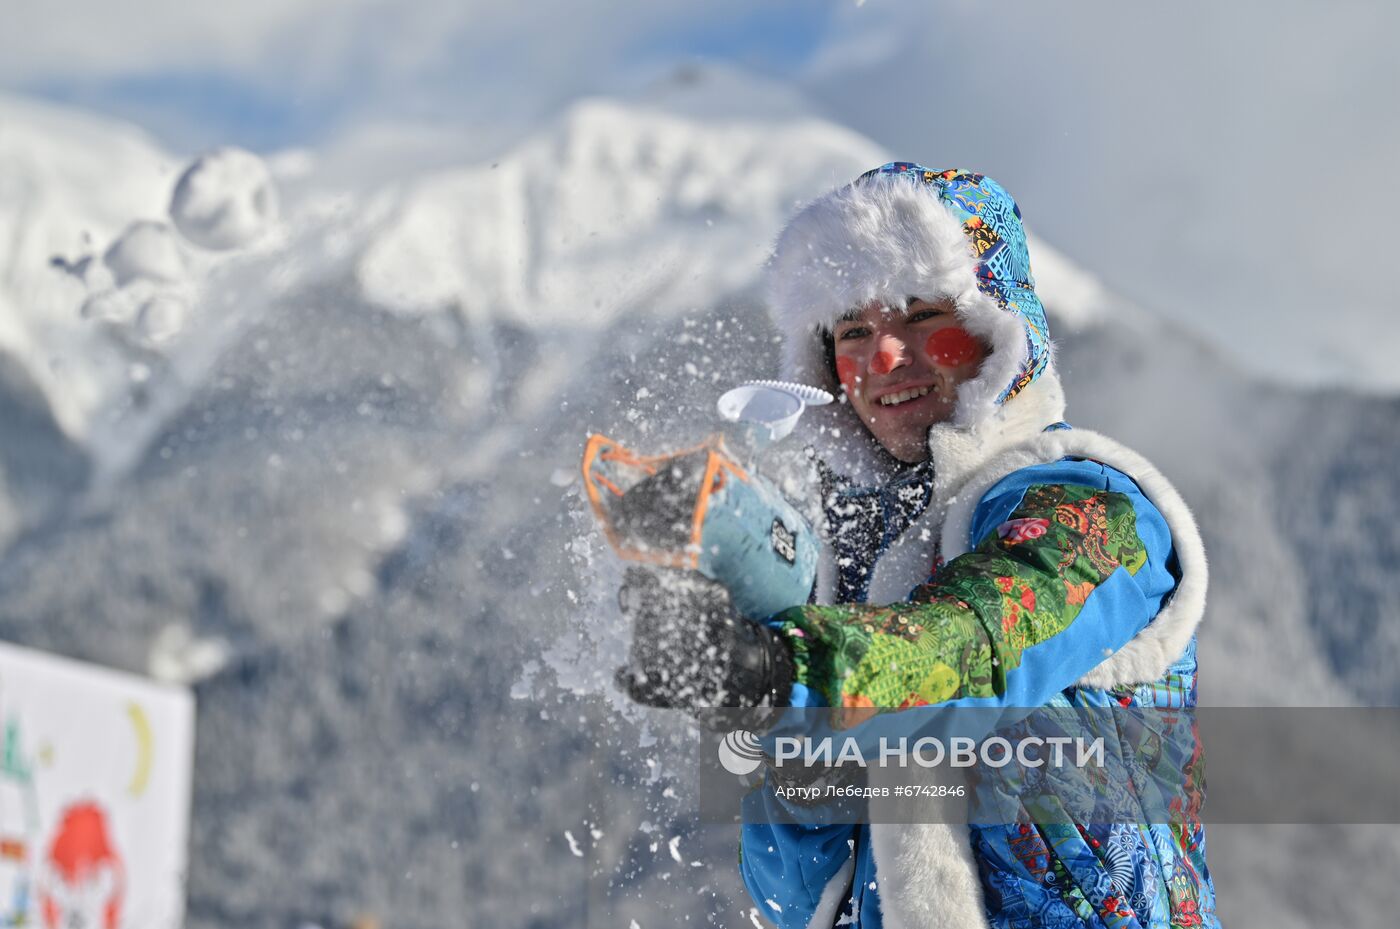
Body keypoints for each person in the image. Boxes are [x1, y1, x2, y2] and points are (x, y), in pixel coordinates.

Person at [617, 163, 1218, 928]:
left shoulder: (1090, 509)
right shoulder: (857, 571)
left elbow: (973, 642)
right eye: (854, 331)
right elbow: (796, 899)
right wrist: (763, 711)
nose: (886, 358)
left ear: (999, 327)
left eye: (921, 313)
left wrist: (781, 667)